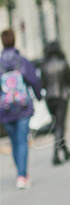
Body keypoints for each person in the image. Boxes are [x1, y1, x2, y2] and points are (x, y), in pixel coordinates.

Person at [0, 28, 42, 189]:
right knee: (22, 141)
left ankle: (21, 173)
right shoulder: (21, 61)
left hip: (5, 109)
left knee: (14, 142)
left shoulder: (0, 63)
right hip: (23, 107)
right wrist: (38, 96)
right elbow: (34, 80)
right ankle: (22, 175)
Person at [40, 41, 70, 165]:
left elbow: (43, 83)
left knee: (57, 124)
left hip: (49, 98)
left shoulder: (44, 65)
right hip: (62, 97)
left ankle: (65, 151)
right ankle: (56, 155)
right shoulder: (63, 63)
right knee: (60, 125)